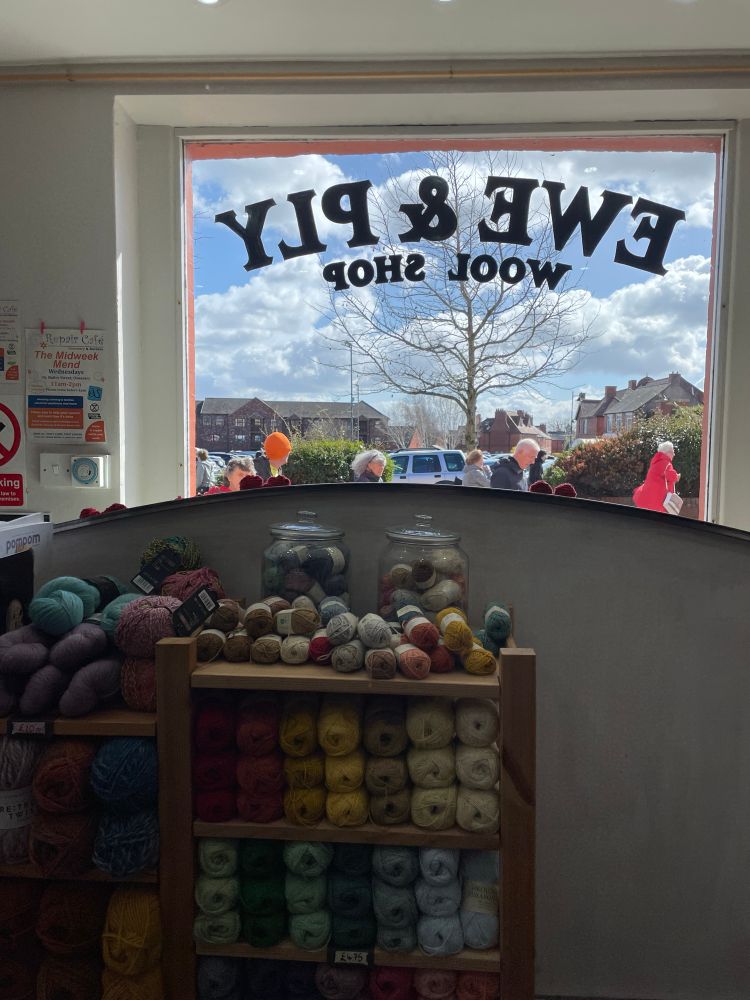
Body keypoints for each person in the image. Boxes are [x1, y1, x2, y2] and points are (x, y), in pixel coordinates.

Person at [633, 441, 681, 512]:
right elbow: (670, 476)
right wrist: (677, 476)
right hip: (658, 500)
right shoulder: (666, 463)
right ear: (667, 452)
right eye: (672, 452)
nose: (674, 454)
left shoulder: (656, 462)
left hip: (648, 497)